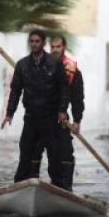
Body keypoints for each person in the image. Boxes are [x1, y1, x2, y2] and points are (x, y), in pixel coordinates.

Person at [2, 30, 70, 188]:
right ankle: (19, 185)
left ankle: (59, 186)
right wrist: (9, 113)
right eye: (32, 41)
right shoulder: (22, 65)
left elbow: (64, 88)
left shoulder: (54, 63)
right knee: (25, 151)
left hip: (51, 117)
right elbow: (15, 91)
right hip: (31, 117)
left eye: (37, 41)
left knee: (54, 154)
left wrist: (62, 111)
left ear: (43, 43)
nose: (34, 44)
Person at [30, 36, 84, 191]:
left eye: (58, 47)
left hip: (60, 120)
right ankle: (31, 186)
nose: (55, 50)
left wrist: (77, 120)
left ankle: (65, 188)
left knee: (65, 152)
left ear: (64, 47)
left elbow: (77, 98)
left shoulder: (72, 71)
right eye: (52, 47)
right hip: (39, 118)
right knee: (34, 151)